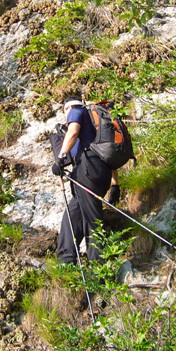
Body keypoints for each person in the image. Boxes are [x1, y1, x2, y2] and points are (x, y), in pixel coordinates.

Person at [52, 96, 120, 264]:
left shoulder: (75, 112)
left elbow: (73, 132)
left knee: (92, 218)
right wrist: (114, 185)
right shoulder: (94, 125)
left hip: (87, 171)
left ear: (66, 109)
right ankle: (66, 259)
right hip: (99, 174)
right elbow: (107, 154)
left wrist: (60, 158)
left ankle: (100, 269)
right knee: (73, 213)